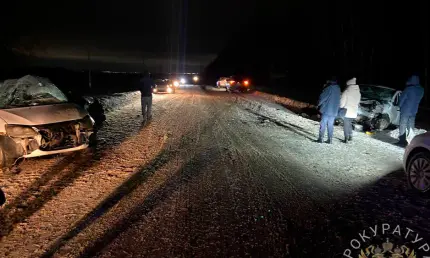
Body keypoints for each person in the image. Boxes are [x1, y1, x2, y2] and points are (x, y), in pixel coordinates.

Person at [397, 75, 424, 146]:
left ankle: (402, 141)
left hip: (406, 110)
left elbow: (402, 99)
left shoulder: (408, 89)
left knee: (403, 124)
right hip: (414, 110)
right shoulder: (421, 90)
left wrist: (399, 105)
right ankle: (411, 140)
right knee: (411, 125)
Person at [316, 78, 341, 144]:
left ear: (330, 81)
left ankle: (321, 138)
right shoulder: (338, 89)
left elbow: (323, 97)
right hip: (334, 111)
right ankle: (330, 139)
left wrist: (318, 104)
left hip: (327, 109)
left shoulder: (329, 88)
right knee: (330, 125)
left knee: (323, 123)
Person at [340, 77, 361, 143]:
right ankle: (350, 135)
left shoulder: (346, 91)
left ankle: (346, 138)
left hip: (347, 111)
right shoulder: (358, 92)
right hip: (354, 112)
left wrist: (341, 107)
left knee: (346, 125)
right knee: (349, 124)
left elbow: (342, 102)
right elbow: (358, 102)